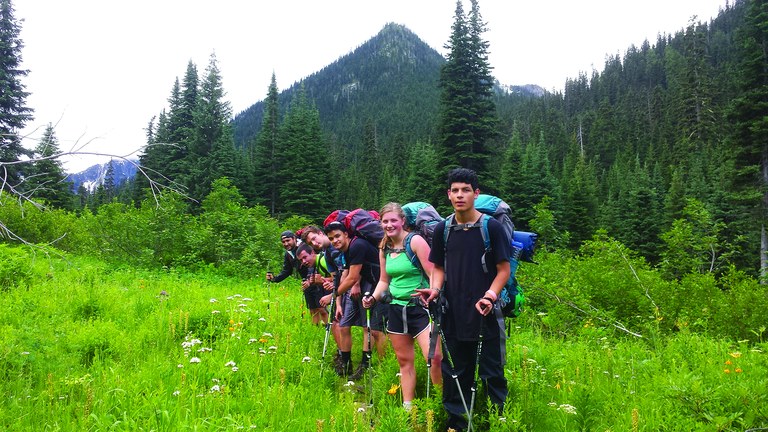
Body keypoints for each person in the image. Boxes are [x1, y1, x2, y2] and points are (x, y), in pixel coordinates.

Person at [417, 168, 511, 432]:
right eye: (455, 191)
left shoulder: (490, 227)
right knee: (454, 369)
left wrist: (491, 295)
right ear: (448, 195)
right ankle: (457, 424)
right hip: (453, 311)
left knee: (492, 370)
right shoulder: (443, 230)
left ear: (476, 194)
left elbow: (504, 269)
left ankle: (498, 420)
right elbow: (438, 267)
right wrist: (434, 290)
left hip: (485, 310)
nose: (460, 195)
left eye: (465, 190)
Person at [363, 202, 442, 411]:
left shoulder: (415, 241)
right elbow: (384, 280)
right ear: (380, 223)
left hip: (421, 309)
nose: (389, 225)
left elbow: (433, 272)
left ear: (402, 221)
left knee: (434, 359)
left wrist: (433, 292)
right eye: (385, 221)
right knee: (405, 362)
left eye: (393, 221)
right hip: (396, 310)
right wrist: (373, 297)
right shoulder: (384, 247)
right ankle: (408, 408)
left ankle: (443, 403)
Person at [320, 221, 388, 380]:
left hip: (381, 286)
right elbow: (345, 275)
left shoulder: (357, 246)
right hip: (374, 285)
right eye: (331, 239)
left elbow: (352, 278)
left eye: (337, 236)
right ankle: (369, 368)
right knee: (372, 329)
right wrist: (338, 303)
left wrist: (333, 295)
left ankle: (383, 370)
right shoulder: (347, 250)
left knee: (377, 330)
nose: (335, 240)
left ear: (346, 234)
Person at [295, 242, 332, 326]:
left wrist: (322, 281)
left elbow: (339, 277)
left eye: (305, 257)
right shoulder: (314, 265)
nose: (303, 261)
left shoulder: (323, 261)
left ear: (312, 253)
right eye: (301, 260)